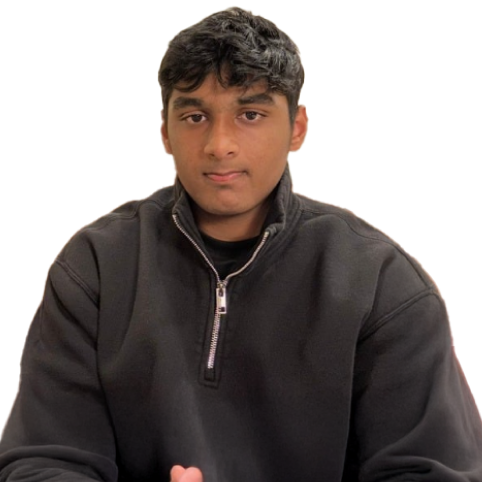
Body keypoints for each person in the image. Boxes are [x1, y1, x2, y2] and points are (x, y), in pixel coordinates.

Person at [1, 6, 481, 482]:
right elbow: (44, 461)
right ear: (164, 131)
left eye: (250, 114)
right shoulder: (95, 267)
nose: (220, 144)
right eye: (195, 116)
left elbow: (430, 472)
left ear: (297, 128)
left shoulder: (383, 284)